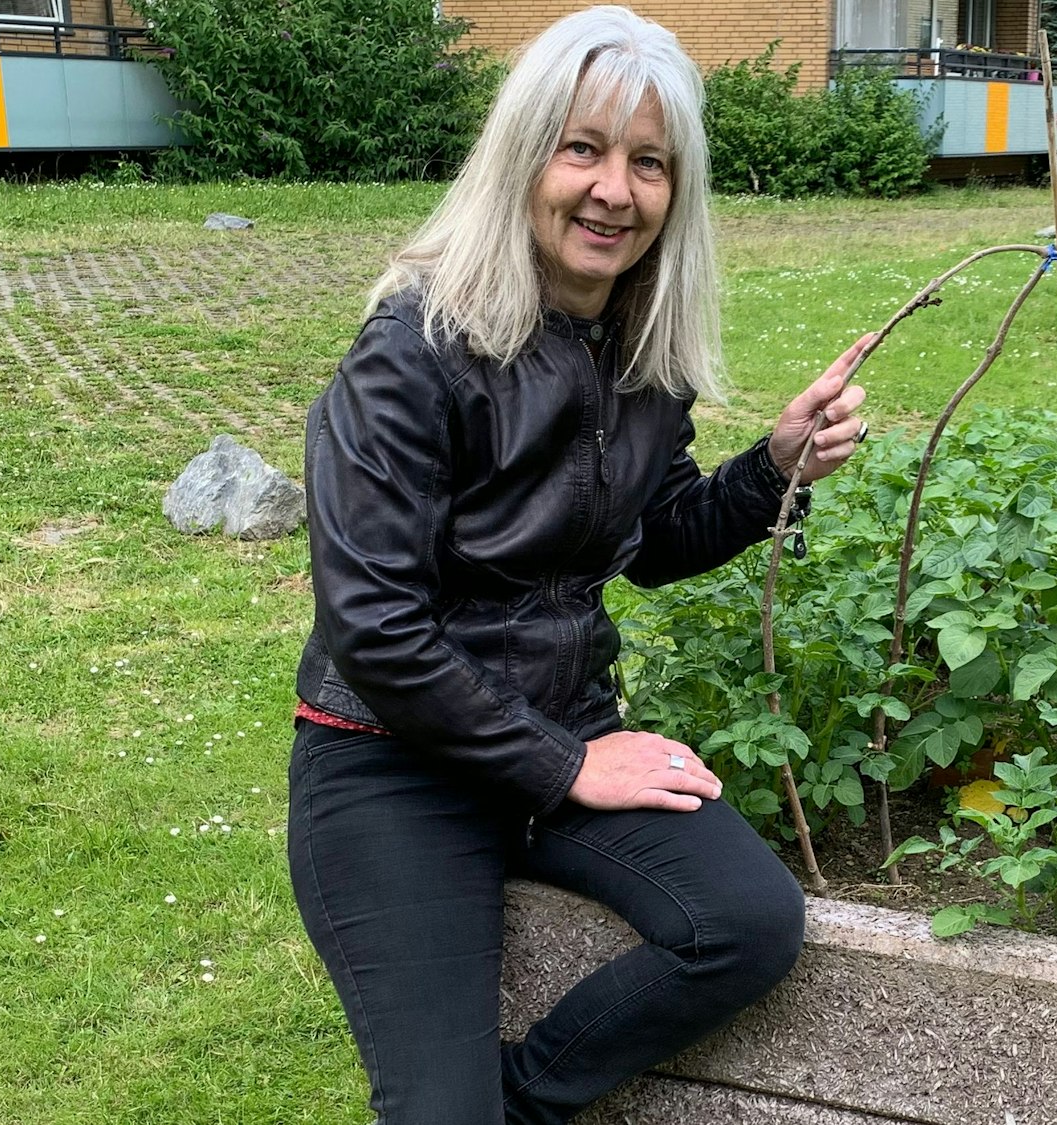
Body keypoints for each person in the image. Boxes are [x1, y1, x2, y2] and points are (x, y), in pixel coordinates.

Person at [286, 7, 872, 1124]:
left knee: (744, 924)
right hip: (389, 763)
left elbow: (648, 545)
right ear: (524, 158)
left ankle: (524, 1104)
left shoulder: (639, 354)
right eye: (583, 148)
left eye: (648, 163)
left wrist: (774, 468)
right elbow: (375, 631)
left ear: (675, 191)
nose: (614, 190)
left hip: (567, 737)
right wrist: (565, 769)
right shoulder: (412, 349)